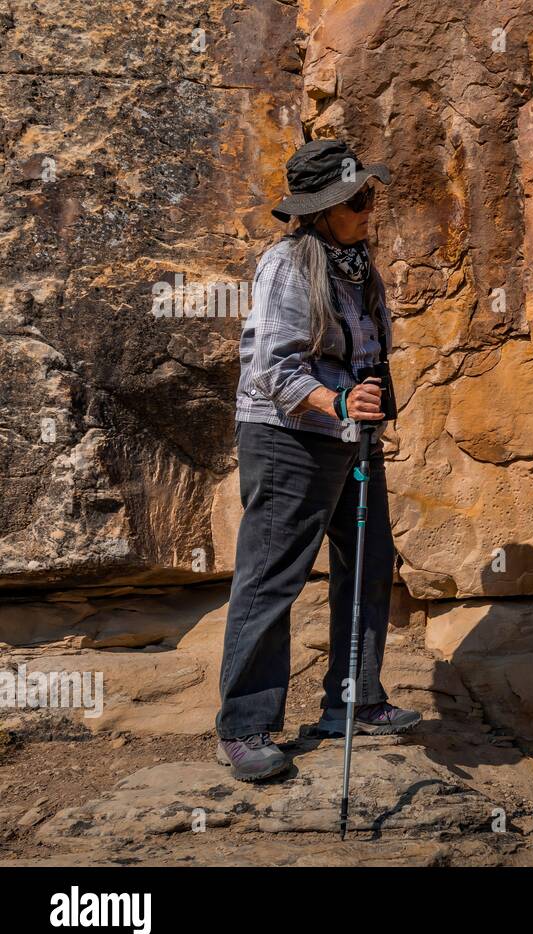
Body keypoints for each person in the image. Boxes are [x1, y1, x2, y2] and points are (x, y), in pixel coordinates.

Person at [215, 139, 420, 782]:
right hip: (288, 435)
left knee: (368, 564)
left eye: (370, 196)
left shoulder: (356, 262)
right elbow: (273, 369)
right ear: (324, 207)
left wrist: (370, 396)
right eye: (358, 199)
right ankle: (244, 728)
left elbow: (365, 349)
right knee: (273, 576)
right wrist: (337, 400)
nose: (369, 209)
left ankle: (352, 701)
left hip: (347, 434)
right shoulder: (287, 264)